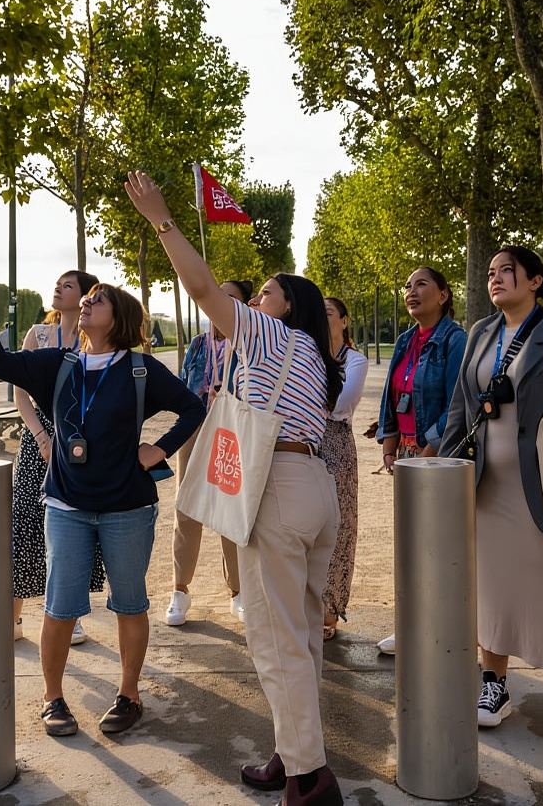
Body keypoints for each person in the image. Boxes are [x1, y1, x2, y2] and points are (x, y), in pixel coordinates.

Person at [125, 171, 346, 806]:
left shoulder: (270, 336)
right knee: (300, 634)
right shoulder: (312, 353)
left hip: (274, 488)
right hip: (312, 486)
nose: (256, 297)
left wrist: (162, 219)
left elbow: (199, 288)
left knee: (277, 643)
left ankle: (309, 779)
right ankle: (292, 751)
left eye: (268, 292)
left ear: (284, 307)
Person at [0, 259, 204, 737]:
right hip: (67, 506)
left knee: (130, 604)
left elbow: (192, 406)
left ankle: (129, 694)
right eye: (88, 295)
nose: (89, 300)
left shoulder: (140, 369)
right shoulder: (58, 363)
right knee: (60, 607)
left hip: (129, 508)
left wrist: (159, 448)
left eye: (99, 298)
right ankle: (53, 698)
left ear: (117, 318)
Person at [438, 246, 543, 759]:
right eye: (490, 272)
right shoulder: (481, 334)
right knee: (491, 586)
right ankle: (495, 683)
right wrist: (444, 470)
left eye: (507, 271)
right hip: (485, 487)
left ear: (536, 280)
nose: (495, 279)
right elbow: (465, 407)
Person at [11, 272, 107, 646]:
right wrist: (41, 436)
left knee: (74, 525)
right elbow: (20, 394)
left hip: (80, 439)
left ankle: (71, 614)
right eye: (57, 283)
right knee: (26, 522)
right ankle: (14, 616)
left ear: (85, 296)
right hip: (39, 436)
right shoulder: (38, 335)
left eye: (68, 285)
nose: (58, 288)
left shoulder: (93, 341)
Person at [374, 266, 466, 655]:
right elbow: (391, 397)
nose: (411, 291)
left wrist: (429, 448)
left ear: (444, 295)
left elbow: (460, 401)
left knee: (439, 547)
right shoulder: (405, 340)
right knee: (411, 544)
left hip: (439, 458)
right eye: (408, 286)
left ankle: (444, 632)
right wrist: (390, 445)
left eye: (422, 284)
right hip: (410, 456)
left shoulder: (454, 340)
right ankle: (412, 626)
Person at [166, 278, 253, 628]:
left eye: (229, 298)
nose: (219, 302)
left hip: (232, 432)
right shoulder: (199, 344)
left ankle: (237, 591)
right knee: (186, 508)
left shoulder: (248, 344)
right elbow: (185, 387)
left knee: (230, 511)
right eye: (217, 294)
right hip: (195, 430)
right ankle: (180, 590)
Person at [319, 297, 368, 642]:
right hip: (304, 443)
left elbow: (341, 405)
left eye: (329, 313)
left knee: (340, 527)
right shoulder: (308, 354)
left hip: (336, 445)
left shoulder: (356, 360)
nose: (323, 319)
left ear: (345, 321)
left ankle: (329, 608)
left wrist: (306, 401)